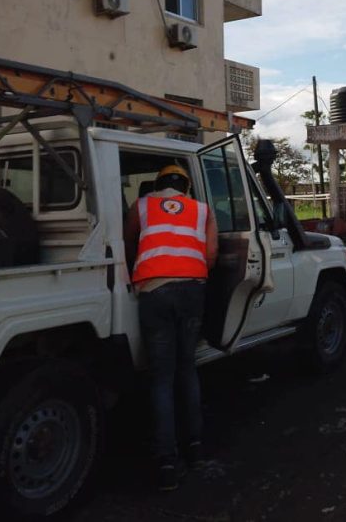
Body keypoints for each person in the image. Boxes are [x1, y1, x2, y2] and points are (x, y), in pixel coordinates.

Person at [124, 164, 218, 491]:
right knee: (187, 369)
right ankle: (196, 450)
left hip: (154, 291)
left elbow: (129, 242)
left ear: (157, 184)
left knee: (161, 378)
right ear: (186, 187)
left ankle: (167, 464)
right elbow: (211, 256)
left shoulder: (141, 205)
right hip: (193, 289)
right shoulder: (202, 210)